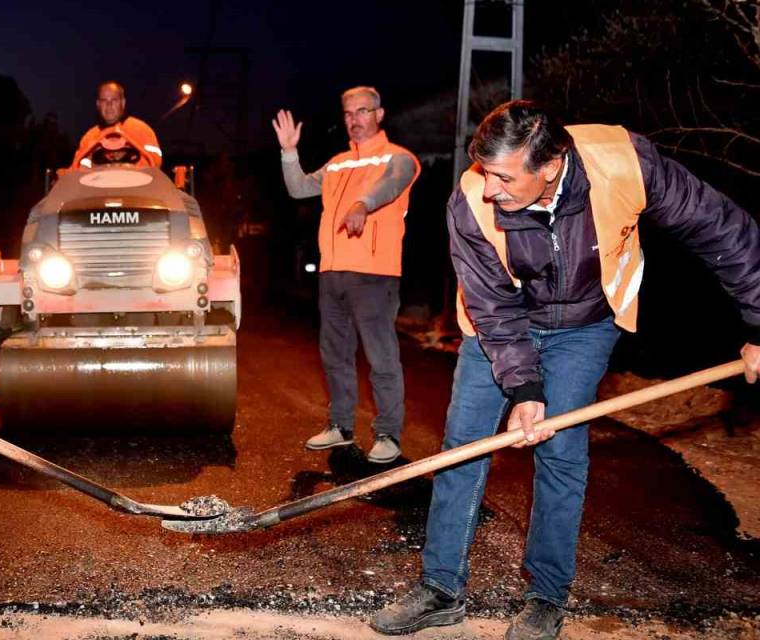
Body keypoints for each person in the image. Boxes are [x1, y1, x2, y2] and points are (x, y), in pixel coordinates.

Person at [371, 100, 760, 639]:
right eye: (486, 172)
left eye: (503, 176)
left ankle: (545, 596)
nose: (489, 188)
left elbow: (723, 231)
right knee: (464, 443)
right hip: (498, 323)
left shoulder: (622, 162)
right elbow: (492, 307)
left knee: (561, 448)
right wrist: (525, 388)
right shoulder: (470, 200)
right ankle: (440, 587)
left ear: (550, 166)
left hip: (587, 323)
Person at [272, 86, 420, 464]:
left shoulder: (399, 158)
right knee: (335, 353)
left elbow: (391, 186)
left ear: (379, 114)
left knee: (380, 356)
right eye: (349, 113)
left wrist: (361, 204)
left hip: (374, 273)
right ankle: (340, 426)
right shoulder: (337, 164)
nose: (355, 119)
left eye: (363, 111)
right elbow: (297, 188)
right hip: (332, 272)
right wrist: (289, 152)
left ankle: (388, 433)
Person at [72, 81, 163, 168]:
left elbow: (155, 163)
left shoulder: (142, 130)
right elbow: (80, 170)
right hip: (100, 182)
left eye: (114, 100)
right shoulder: (89, 137)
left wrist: (126, 169)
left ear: (123, 103)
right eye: (104, 101)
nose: (109, 105)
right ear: (98, 105)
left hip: (135, 182)